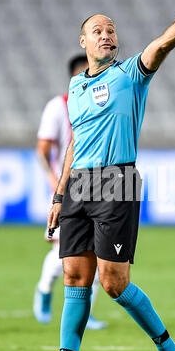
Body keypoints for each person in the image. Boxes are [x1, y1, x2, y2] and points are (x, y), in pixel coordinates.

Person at [18, 0, 175, 351]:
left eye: (111, 30)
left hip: (115, 182)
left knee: (114, 284)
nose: (106, 35)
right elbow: (75, 143)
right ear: (83, 42)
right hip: (78, 186)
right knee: (74, 276)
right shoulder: (75, 87)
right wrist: (58, 195)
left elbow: (161, 45)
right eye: (97, 30)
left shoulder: (130, 74)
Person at [33, 54, 107, 330]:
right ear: (78, 76)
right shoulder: (59, 106)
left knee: (99, 252)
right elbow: (43, 149)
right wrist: (55, 182)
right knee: (65, 251)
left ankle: (85, 314)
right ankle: (44, 289)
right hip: (66, 188)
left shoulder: (103, 105)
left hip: (98, 187)